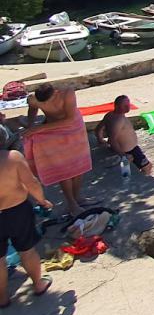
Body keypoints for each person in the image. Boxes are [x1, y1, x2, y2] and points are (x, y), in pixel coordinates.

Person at [25, 84, 92, 216]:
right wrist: (31, 125)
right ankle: (71, 203)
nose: (44, 104)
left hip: (73, 128)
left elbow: (70, 119)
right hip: (52, 131)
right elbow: (32, 109)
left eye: (47, 101)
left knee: (78, 164)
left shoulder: (67, 92)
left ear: (55, 93)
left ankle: (77, 197)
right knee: (63, 167)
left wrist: (39, 128)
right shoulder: (33, 99)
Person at [0, 150, 54, 307]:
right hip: (17, 211)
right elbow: (32, 183)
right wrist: (42, 201)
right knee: (27, 251)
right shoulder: (12, 157)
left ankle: (2, 297)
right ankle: (38, 284)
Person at [94, 95, 152, 176]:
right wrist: (123, 155)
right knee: (147, 167)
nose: (127, 107)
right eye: (124, 105)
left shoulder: (110, 114)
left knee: (130, 170)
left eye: (128, 105)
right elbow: (112, 139)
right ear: (117, 106)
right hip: (129, 151)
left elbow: (98, 129)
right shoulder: (118, 120)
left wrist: (100, 140)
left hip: (130, 149)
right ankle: (144, 181)